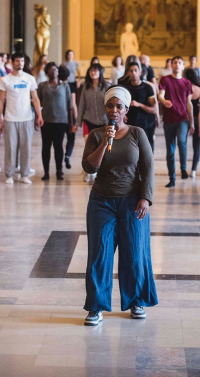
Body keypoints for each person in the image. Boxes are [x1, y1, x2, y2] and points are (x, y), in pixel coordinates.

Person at [82, 86, 156, 326]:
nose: (114, 111)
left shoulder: (137, 133)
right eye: (110, 106)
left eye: (119, 107)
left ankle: (136, 301)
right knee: (99, 255)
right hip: (101, 201)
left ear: (126, 110)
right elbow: (89, 167)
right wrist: (105, 141)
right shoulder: (95, 135)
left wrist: (146, 197)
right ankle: (96, 306)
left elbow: (148, 167)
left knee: (135, 253)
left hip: (133, 201)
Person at [0, 53, 43, 185]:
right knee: (10, 148)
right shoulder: (5, 80)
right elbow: (0, 101)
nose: (19, 63)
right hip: (10, 118)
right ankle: (9, 174)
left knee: (26, 148)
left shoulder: (30, 79)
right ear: (12, 62)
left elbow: (35, 98)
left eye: (21, 61)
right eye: (17, 61)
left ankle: (24, 174)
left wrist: (39, 115)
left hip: (27, 118)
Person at [158, 56, 194, 188]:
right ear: (171, 65)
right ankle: (172, 177)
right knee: (170, 150)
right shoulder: (165, 80)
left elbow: (189, 103)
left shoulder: (187, 83)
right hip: (169, 119)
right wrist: (163, 101)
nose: (177, 65)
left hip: (183, 118)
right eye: (175, 62)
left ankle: (183, 168)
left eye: (179, 63)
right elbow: (160, 95)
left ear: (183, 66)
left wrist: (192, 122)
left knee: (181, 141)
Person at [37, 62, 73, 181]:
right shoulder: (42, 86)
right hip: (46, 120)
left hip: (61, 121)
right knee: (46, 146)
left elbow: (69, 105)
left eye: (56, 70)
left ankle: (59, 170)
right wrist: (37, 118)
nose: (54, 72)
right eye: (51, 70)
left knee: (58, 146)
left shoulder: (65, 86)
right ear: (47, 72)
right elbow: (37, 104)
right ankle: (46, 172)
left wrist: (71, 123)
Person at [77, 63, 112, 183]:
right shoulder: (86, 87)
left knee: (102, 147)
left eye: (95, 71)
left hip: (103, 121)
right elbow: (81, 105)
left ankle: (99, 171)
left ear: (100, 72)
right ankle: (88, 172)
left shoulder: (107, 86)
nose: (93, 73)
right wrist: (77, 123)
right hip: (88, 120)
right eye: (91, 71)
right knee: (89, 146)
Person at [119, 61, 157, 152]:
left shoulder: (148, 88)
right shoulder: (124, 88)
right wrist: (123, 115)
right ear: (128, 73)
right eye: (131, 71)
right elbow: (119, 105)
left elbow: (154, 109)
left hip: (145, 124)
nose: (133, 73)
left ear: (140, 72)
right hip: (129, 123)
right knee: (130, 150)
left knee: (146, 150)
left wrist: (139, 104)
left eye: (136, 70)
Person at [185, 68, 200, 178]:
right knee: (196, 146)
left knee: (183, 144)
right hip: (199, 119)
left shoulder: (186, 88)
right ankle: (194, 170)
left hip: (186, 118)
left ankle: (184, 167)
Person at [58, 66, 79, 169]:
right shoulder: (71, 87)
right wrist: (77, 120)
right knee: (71, 138)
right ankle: (67, 156)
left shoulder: (57, 86)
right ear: (68, 76)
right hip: (69, 116)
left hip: (59, 117)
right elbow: (73, 104)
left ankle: (60, 161)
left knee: (59, 140)